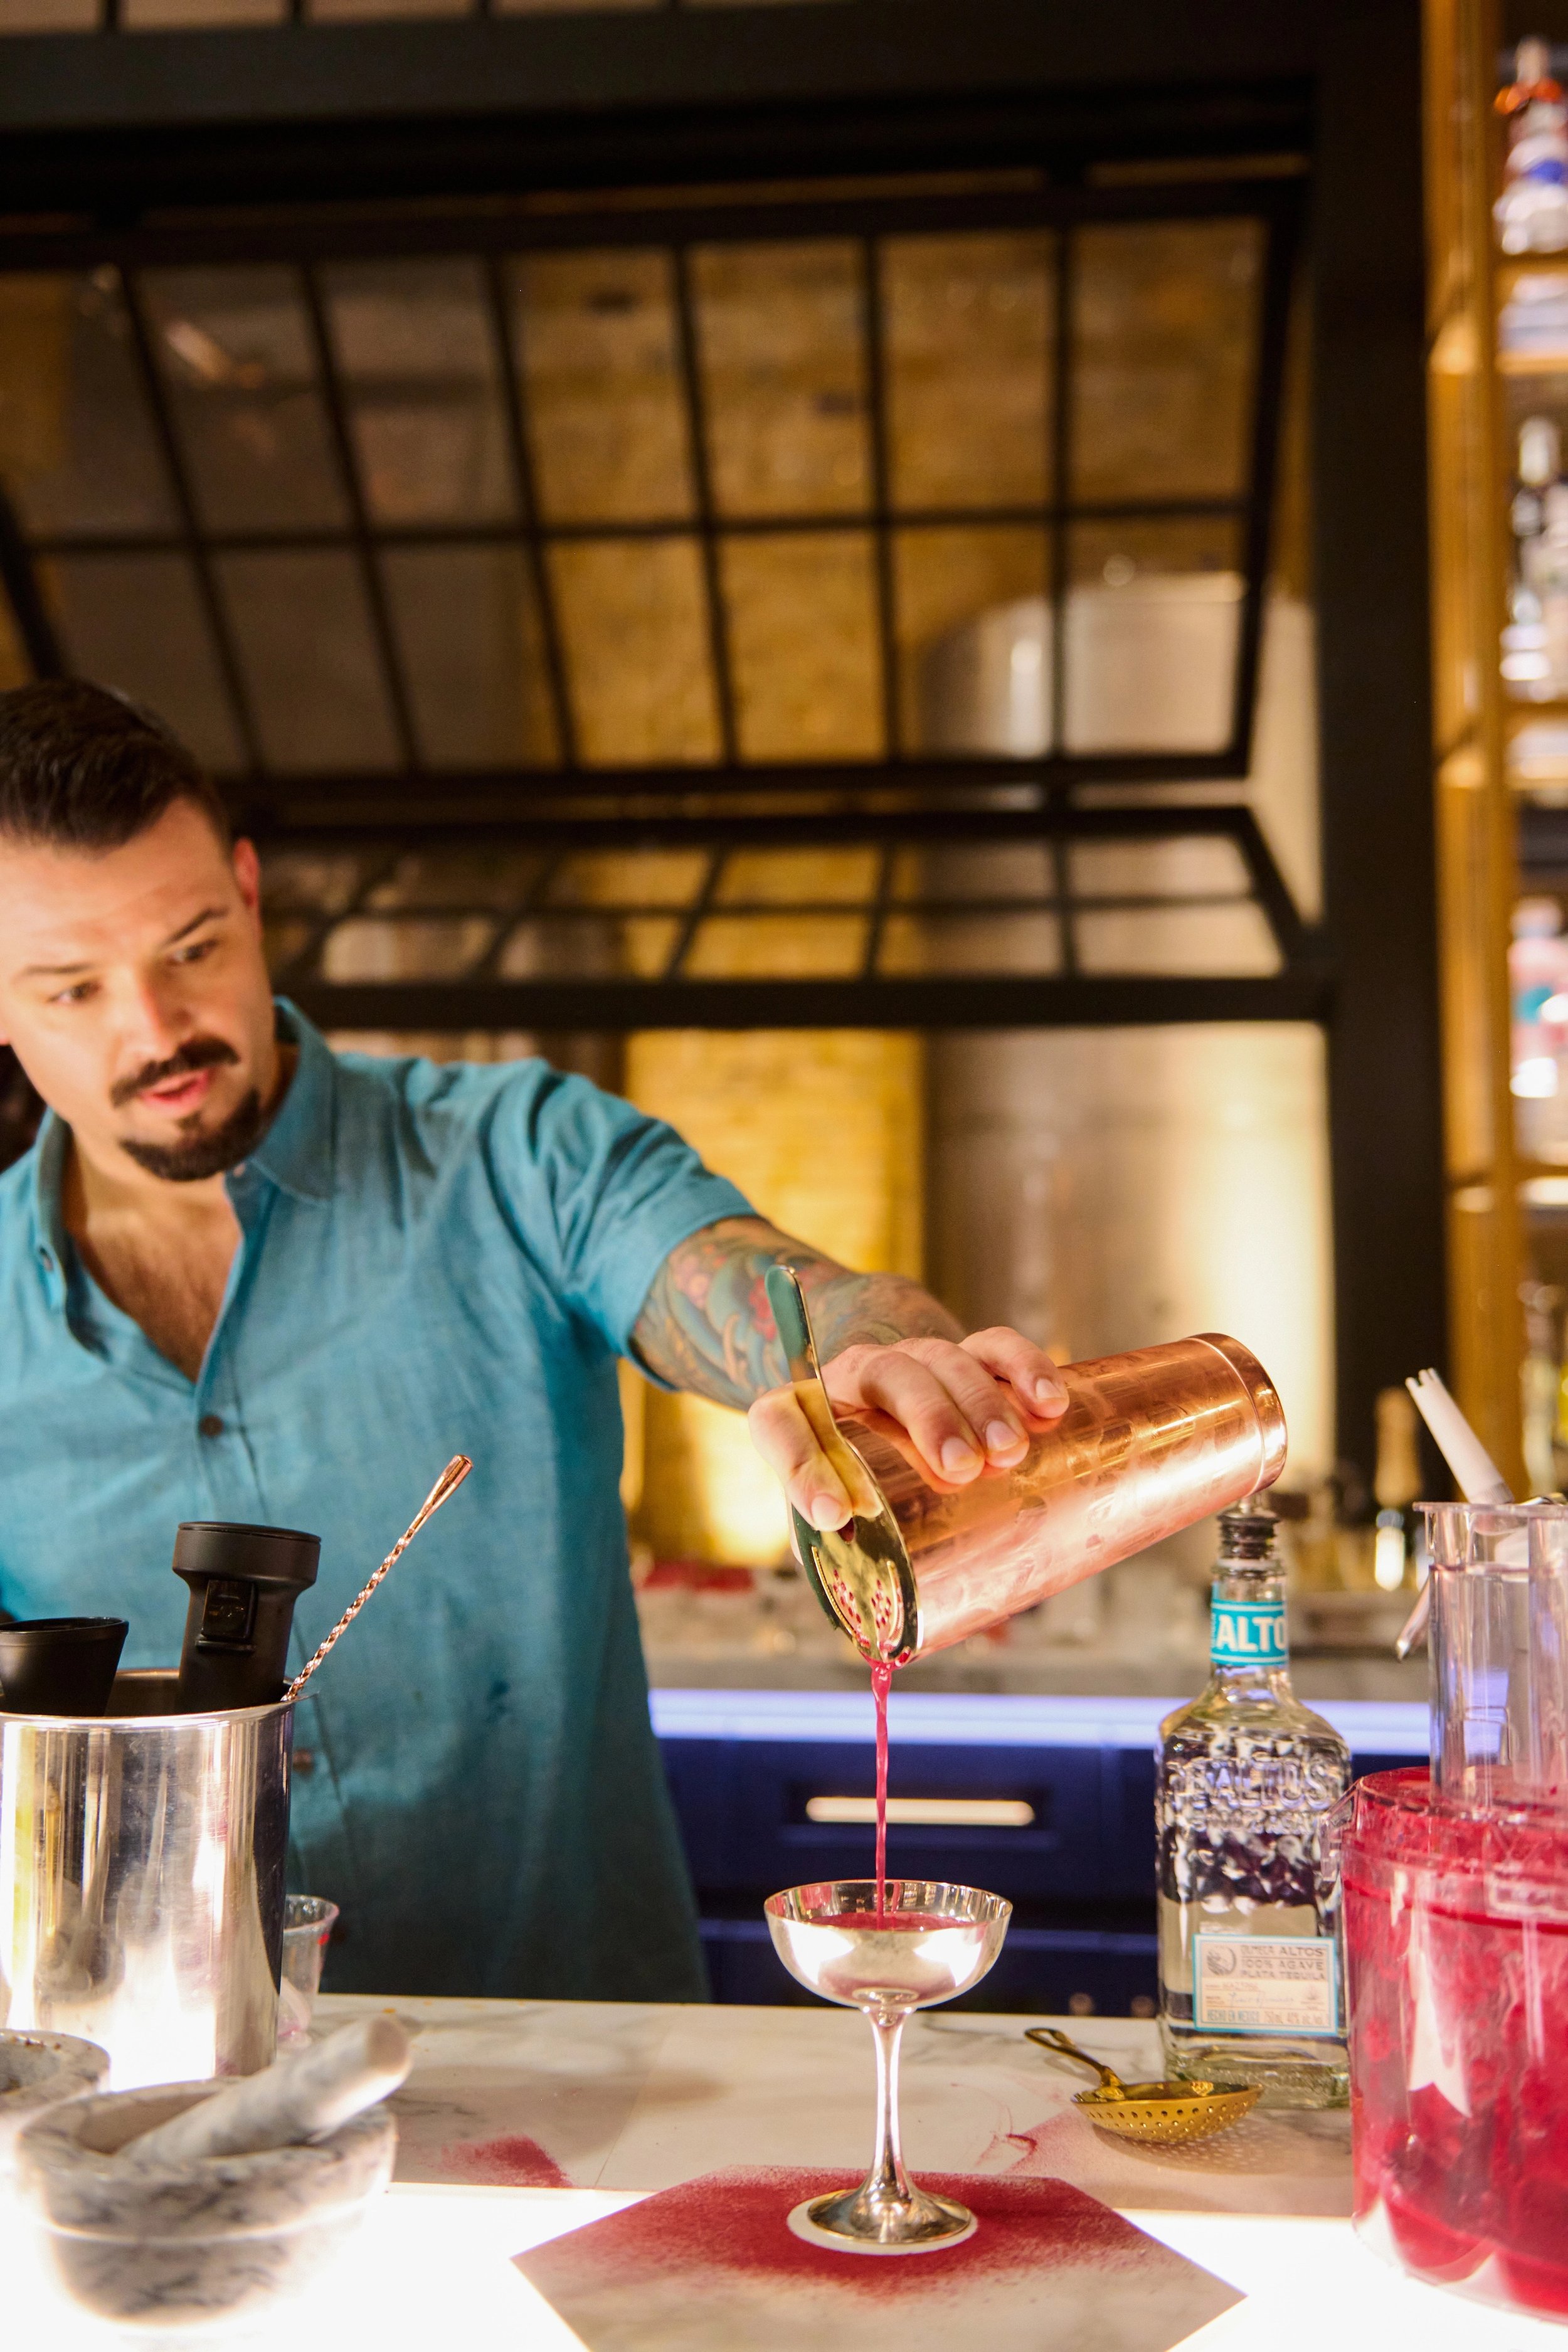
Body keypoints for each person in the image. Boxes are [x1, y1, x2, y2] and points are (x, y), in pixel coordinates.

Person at [0, 679, 1067, 2000]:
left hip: (584, 2088)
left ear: (249, 887)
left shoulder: (517, 1153)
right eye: (71, 990)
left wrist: (860, 1353)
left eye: (192, 946)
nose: (155, 1031)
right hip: (158, 2100)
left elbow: (770, 1297)